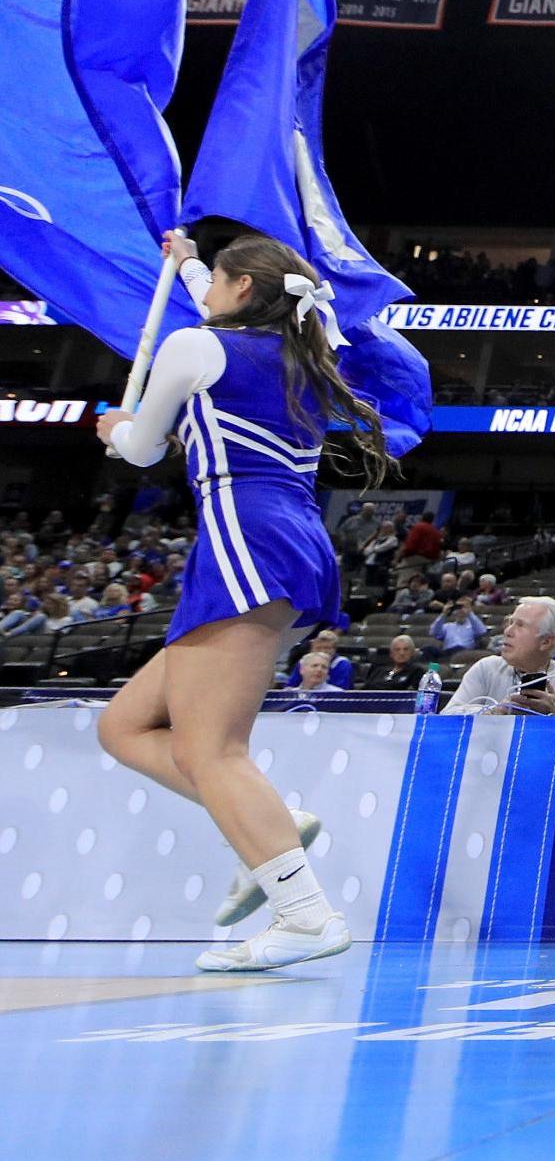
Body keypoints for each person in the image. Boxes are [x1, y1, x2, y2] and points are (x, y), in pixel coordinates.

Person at [94, 227, 391, 972]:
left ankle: (303, 912)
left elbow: (140, 448)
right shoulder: (301, 349)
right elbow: (223, 301)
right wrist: (190, 260)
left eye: (217, 284)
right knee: (124, 726)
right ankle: (275, 821)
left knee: (208, 748)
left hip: (240, 536)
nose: (207, 294)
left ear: (243, 291)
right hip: (290, 534)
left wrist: (119, 427)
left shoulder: (194, 347)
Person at [444, 597, 555, 714]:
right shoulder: (486, 668)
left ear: (546, 641)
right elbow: (446, 718)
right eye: (510, 623)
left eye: (520, 625)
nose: (507, 631)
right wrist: (495, 712)